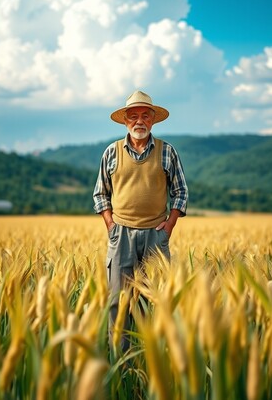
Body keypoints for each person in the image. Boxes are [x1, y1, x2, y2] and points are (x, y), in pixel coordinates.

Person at [93, 90, 188, 351]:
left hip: (155, 235)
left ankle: (150, 356)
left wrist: (168, 227)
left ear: (153, 120)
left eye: (145, 116)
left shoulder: (167, 152)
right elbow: (100, 194)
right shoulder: (111, 152)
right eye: (133, 116)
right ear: (125, 120)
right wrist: (111, 226)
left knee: (153, 299)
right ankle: (121, 360)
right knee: (117, 300)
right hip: (120, 234)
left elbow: (180, 192)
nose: (139, 121)